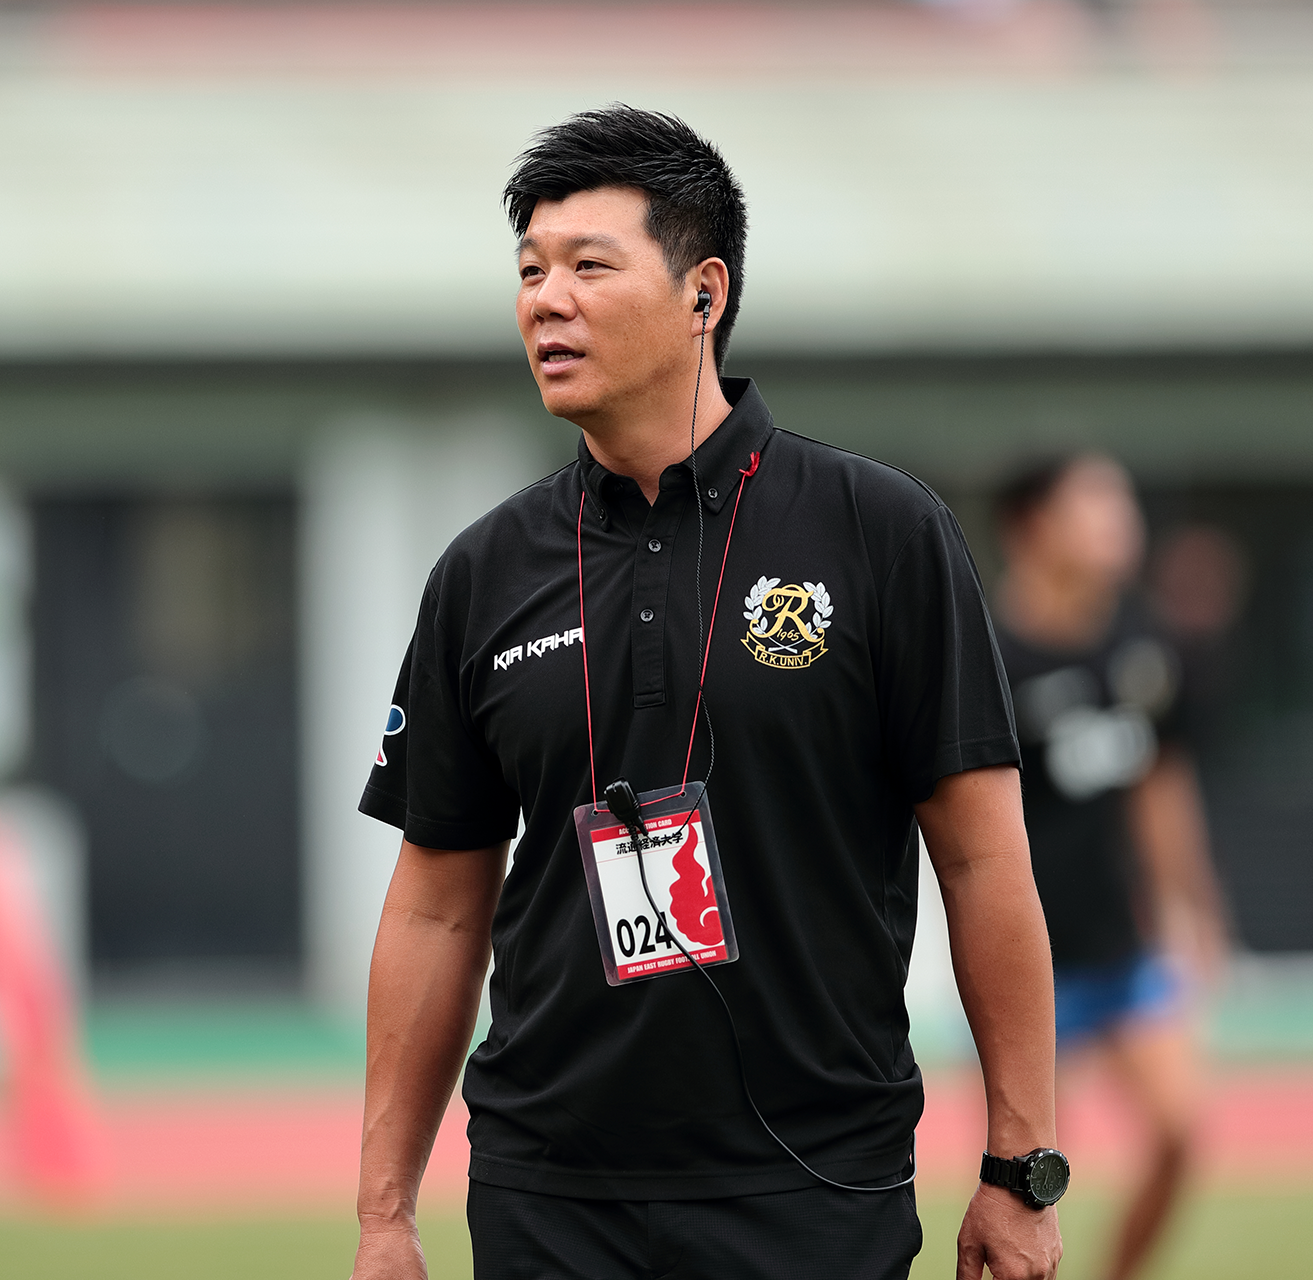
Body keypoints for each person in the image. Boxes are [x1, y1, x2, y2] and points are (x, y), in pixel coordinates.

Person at [349, 106, 1064, 1280]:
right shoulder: (484, 571)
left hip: (814, 1186)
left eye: (589, 266)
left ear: (704, 291)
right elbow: (435, 906)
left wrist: (1020, 1163)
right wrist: (384, 1214)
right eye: (529, 270)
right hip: (547, 1194)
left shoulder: (881, 532)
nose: (546, 300)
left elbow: (985, 860)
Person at [993, 455, 1230, 1280]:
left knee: (1180, 1134)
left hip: (1121, 947)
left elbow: (1161, 788)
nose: (1120, 524)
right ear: (1033, 526)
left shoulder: (1142, 645)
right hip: (1025, 961)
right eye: (1096, 505)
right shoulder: (987, 656)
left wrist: (1196, 913)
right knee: (1027, 1185)